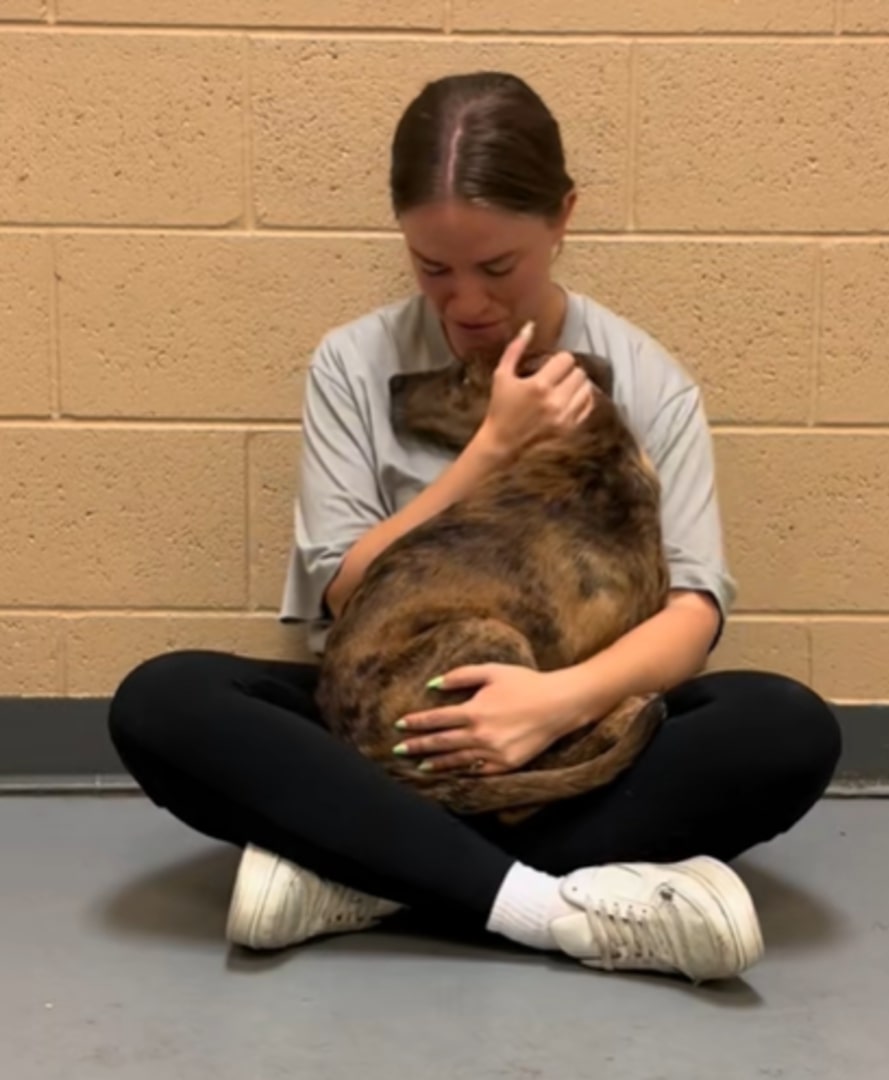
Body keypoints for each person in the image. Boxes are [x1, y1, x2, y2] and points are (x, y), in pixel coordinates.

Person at [107, 71, 842, 983]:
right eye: (431, 268)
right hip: (397, 717)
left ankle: (364, 870)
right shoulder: (355, 362)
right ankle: (551, 909)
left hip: (569, 717)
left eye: (498, 268)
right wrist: (488, 452)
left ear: (563, 218)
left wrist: (553, 706)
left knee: (783, 726)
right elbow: (343, 587)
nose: (465, 304)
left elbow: (691, 610)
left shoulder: (645, 379)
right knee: (166, 702)